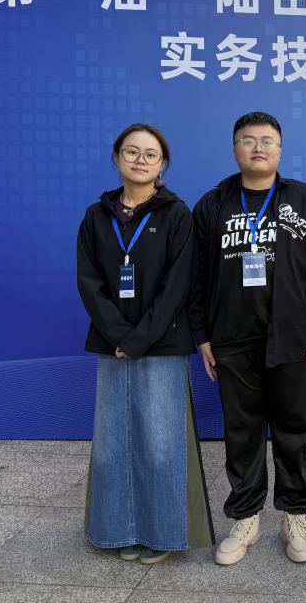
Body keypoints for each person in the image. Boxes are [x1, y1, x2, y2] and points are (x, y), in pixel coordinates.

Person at [189, 111, 306, 566]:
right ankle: (246, 515)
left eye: (267, 140)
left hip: (294, 338)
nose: (258, 148)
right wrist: (203, 336)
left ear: (280, 148)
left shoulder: (305, 200)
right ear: (234, 148)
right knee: (242, 431)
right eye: (248, 140)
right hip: (232, 337)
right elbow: (197, 277)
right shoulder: (212, 204)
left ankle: (294, 514)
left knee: (293, 429)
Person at [77, 123, 214, 565]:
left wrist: (138, 339)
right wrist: (120, 336)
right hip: (112, 343)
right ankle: (117, 529)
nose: (140, 160)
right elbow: (89, 282)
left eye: (150, 154)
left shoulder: (176, 215)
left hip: (162, 344)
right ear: (117, 158)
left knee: (159, 444)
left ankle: (160, 533)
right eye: (131, 151)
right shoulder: (96, 216)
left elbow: (178, 286)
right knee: (114, 442)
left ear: (163, 164)